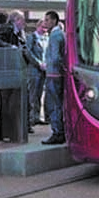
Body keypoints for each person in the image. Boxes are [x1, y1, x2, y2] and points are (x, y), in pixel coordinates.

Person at [0, 10, 27, 141]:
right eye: (22, 20)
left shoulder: (20, 32)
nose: (24, 23)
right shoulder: (7, 28)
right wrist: (9, 47)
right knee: (9, 102)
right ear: (16, 20)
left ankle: (7, 133)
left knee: (10, 102)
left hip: (14, 69)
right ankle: (8, 133)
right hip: (8, 70)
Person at [41, 11, 66, 145]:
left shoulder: (55, 35)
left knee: (54, 104)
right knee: (57, 103)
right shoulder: (59, 34)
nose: (45, 23)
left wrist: (51, 66)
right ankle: (60, 131)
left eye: (47, 20)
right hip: (57, 73)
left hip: (54, 74)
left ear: (54, 21)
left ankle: (57, 132)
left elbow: (55, 56)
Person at [24, 19, 48, 130]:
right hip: (34, 69)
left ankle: (37, 117)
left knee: (39, 94)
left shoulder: (47, 38)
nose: (44, 30)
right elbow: (28, 52)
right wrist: (38, 63)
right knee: (32, 94)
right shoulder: (31, 38)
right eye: (43, 27)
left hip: (44, 70)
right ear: (38, 27)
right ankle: (30, 118)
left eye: (46, 28)